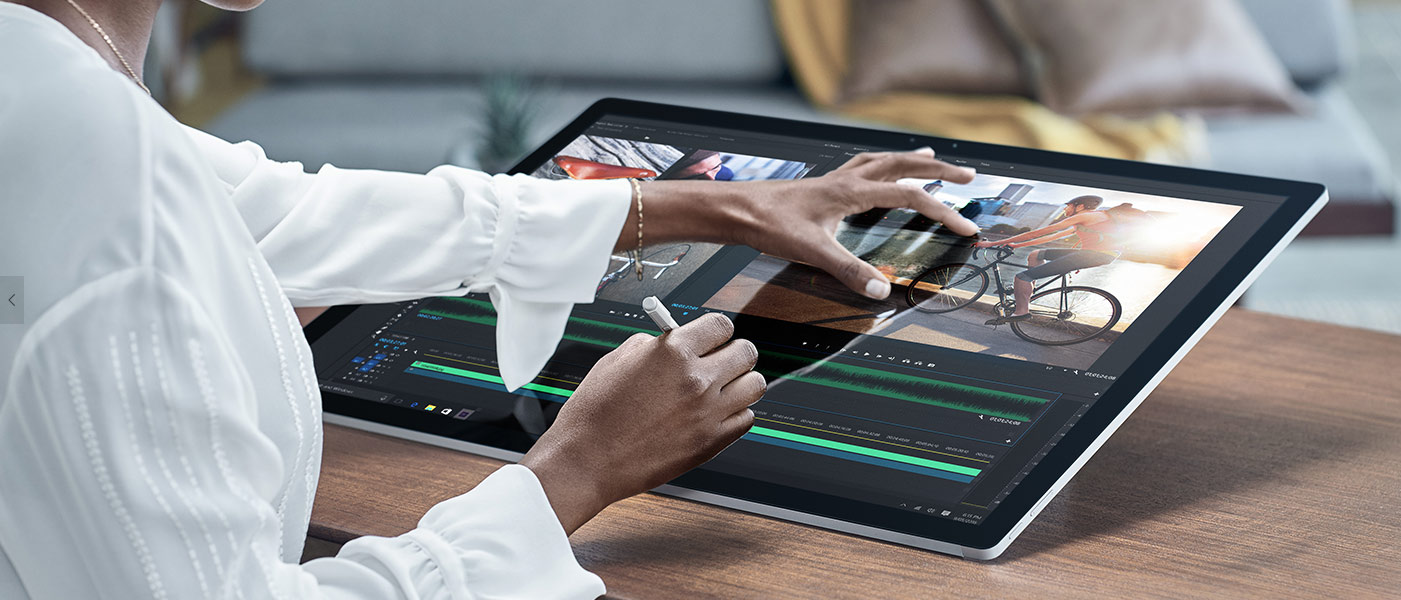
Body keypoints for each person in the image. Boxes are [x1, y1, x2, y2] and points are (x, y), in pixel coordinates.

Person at [0, 1, 980, 597]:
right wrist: (578, 471)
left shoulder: (42, 78)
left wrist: (727, 206)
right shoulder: (104, 177)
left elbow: (285, 211)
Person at [974, 195, 1126, 324]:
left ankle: (1021, 312)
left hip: (1095, 254)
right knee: (1036, 254)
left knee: (1021, 277)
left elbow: (1039, 232)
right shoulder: (1093, 218)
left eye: (1068, 206)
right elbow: (1051, 237)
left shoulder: (1086, 216)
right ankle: (1027, 293)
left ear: (1079, 206)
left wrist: (992, 243)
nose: (1065, 210)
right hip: (1095, 253)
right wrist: (1016, 245)